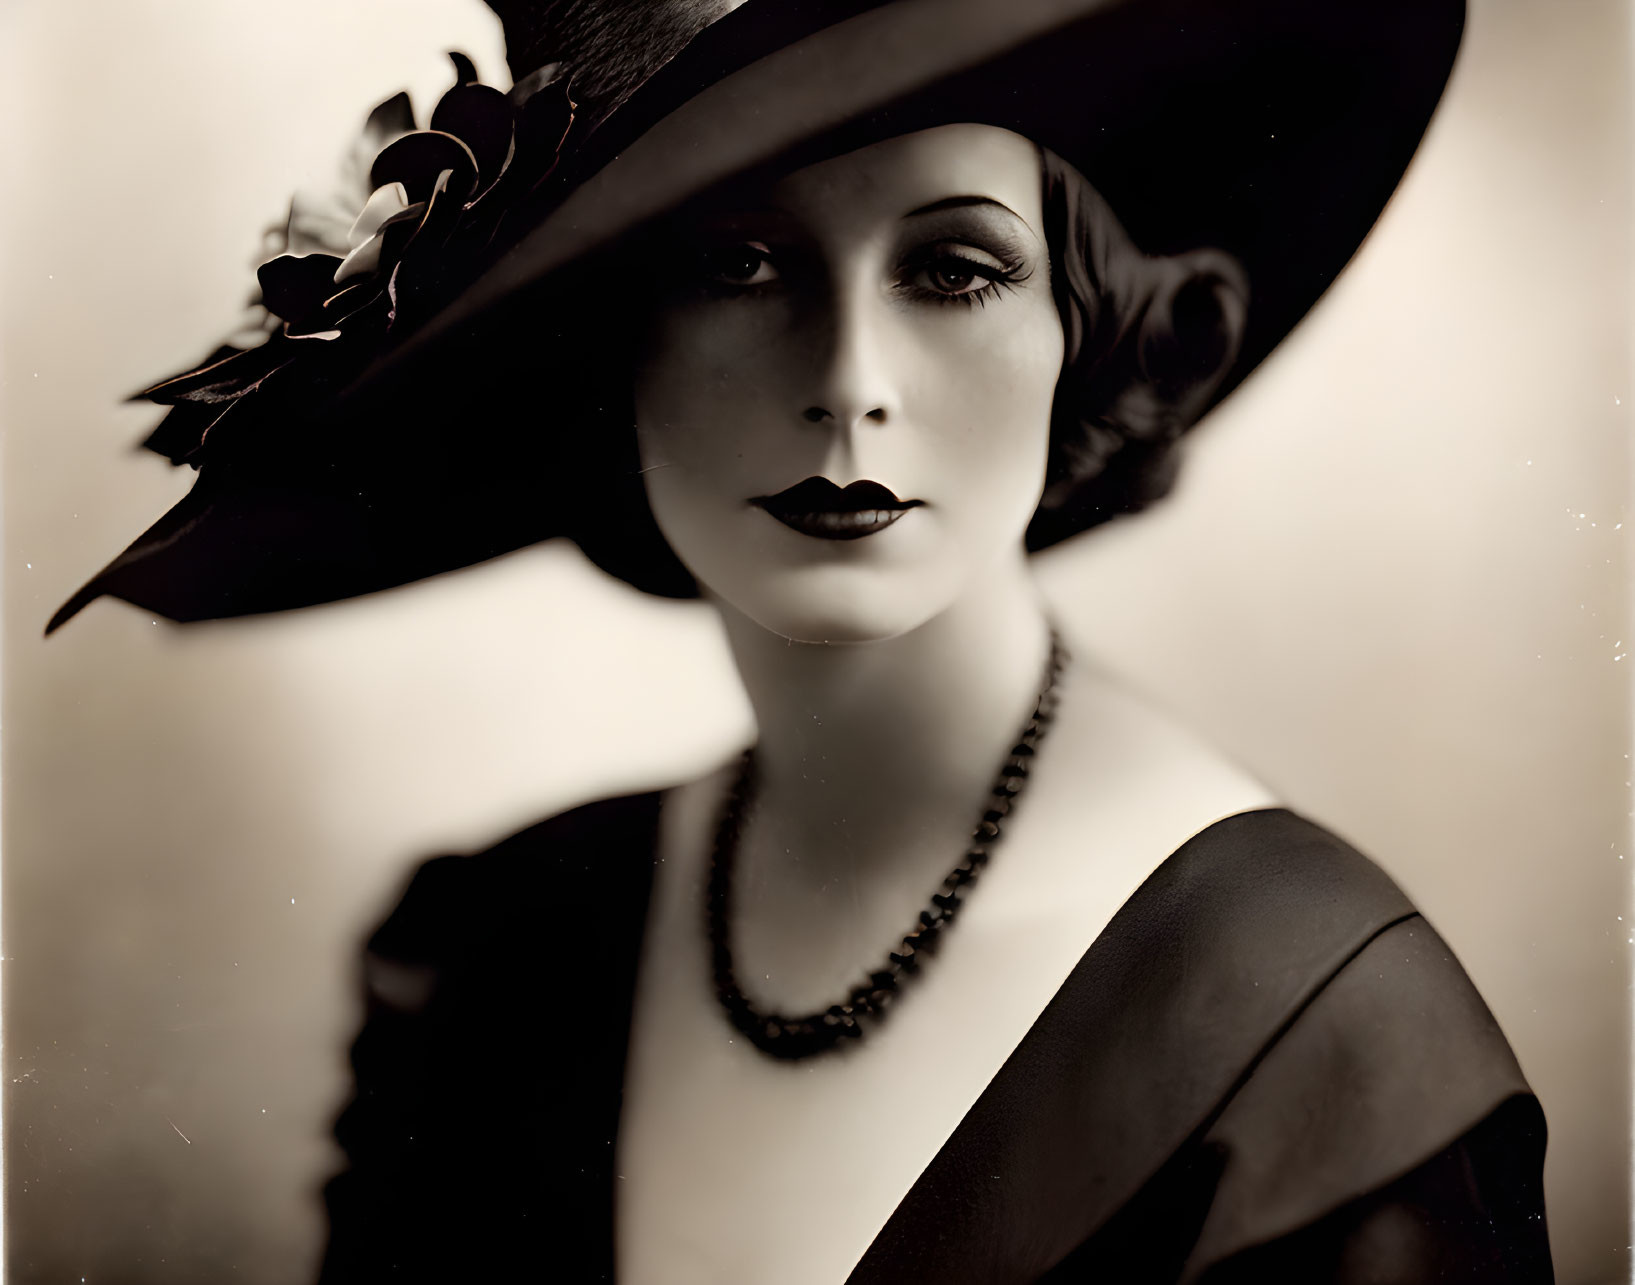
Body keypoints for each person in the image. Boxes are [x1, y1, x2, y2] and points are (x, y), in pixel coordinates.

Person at [49, 1, 1553, 1280]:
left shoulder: (1321, 1035)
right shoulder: (500, 954)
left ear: (1083, 331)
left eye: (955, 269)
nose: (848, 383)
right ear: (611, 356)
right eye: (737, 262)